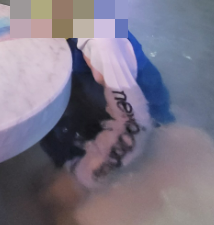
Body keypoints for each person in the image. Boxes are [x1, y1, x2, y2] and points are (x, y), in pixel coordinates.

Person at [41, 35, 175, 189]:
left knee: (61, 190)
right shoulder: (49, 26)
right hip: (91, 95)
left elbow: (135, 125)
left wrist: (82, 176)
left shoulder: (102, 40)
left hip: (142, 123)